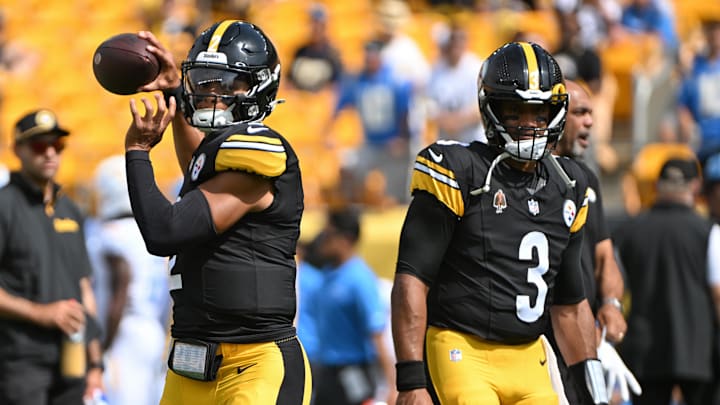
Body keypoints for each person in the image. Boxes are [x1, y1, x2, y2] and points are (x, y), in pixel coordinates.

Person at [391, 41, 608, 405]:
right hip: (462, 347)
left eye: (539, 112)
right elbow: (412, 278)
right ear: (491, 110)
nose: (528, 123)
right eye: (514, 111)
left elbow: (570, 304)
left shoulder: (569, 185)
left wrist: (594, 387)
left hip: (529, 354)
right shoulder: (459, 170)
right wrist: (411, 380)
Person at [123, 21, 311, 404]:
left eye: (227, 84)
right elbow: (199, 168)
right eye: (205, 82)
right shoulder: (218, 157)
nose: (213, 95)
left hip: (253, 364)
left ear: (259, 86)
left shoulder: (259, 150)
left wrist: (138, 153)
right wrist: (176, 91)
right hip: (191, 364)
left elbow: (166, 231)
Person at [0, 109, 104, 404]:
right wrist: (41, 313)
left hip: (72, 360)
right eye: (38, 145)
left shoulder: (70, 210)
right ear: (17, 149)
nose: (49, 153)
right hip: (20, 362)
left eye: (56, 145)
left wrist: (95, 363)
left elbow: (84, 287)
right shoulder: (5, 206)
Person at [551, 80, 641, 403]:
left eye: (590, 112)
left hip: (583, 335)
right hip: (539, 340)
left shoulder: (586, 180)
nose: (590, 121)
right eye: (580, 113)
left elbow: (605, 257)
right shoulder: (525, 177)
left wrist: (611, 304)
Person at [613, 157, 720, 405]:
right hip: (696, 352)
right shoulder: (709, 232)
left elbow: (613, 289)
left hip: (643, 352)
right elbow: (717, 296)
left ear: (657, 186)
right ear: (695, 186)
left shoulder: (628, 231)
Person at [85, 155, 170, 405]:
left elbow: (121, 286)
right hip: (151, 328)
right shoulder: (150, 233)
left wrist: (103, 345)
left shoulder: (112, 234)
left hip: (124, 332)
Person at [305, 207, 396, 405]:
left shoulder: (359, 278)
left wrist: (391, 384)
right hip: (327, 372)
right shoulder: (327, 274)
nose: (322, 240)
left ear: (345, 239)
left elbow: (376, 332)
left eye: (328, 235)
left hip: (352, 371)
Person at [425, 22, 485, 144]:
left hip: (472, 139)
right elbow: (428, 103)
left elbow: (482, 105)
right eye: (453, 40)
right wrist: (444, 120)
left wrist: (458, 121)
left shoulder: (476, 67)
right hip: (446, 140)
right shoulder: (437, 68)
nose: (456, 45)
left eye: (461, 40)